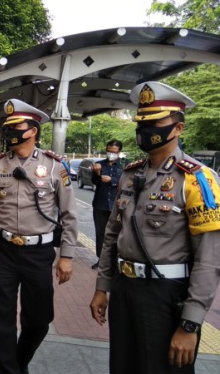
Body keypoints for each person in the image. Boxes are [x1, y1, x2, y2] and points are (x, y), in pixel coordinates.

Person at [90, 81, 220, 374]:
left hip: (166, 294)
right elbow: (112, 235)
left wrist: (190, 323)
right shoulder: (130, 174)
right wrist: (102, 287)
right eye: (142, 122)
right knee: (123, 366)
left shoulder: (198, 179)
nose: (146, 129)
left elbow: (210, 258)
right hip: (125, 290)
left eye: (156, 122)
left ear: (178, 128)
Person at [0, 99, 78, 374]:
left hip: (39, 253)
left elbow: (69, 215)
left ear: (32, 130)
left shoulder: (55, 166)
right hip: (2, 250)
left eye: (16, 126)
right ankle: (8, 371)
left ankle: (18, 363)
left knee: (40, 320)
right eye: (7, 126)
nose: (9, 130)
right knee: (1, 319)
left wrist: (66, 256)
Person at [90, 139, 123, 269]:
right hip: (100, 204)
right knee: (101, 233)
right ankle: (101, 260)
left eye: (114, 152)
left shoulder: (125, 166)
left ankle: (115, 260)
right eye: (109, 151)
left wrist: (112, 180)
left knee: (117, 233)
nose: (111, 154)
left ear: (119, 152)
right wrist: (97, 174)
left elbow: (128, 182)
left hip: (117, 205)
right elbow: (94, 182)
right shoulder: (99, 164)